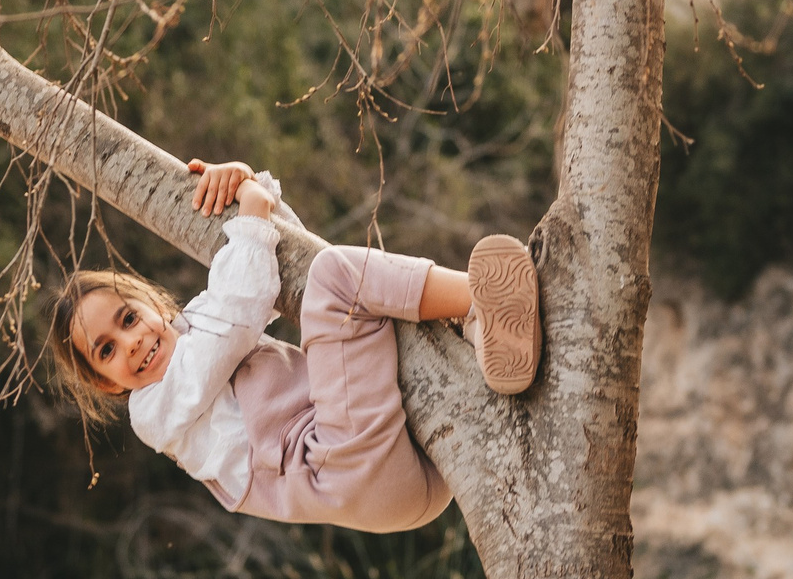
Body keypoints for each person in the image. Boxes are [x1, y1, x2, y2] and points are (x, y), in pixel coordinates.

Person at [47, 158, 540, 533]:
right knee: (337, 280)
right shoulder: (153, 411)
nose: (131, 343)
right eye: (106, 351)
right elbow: (240, 309)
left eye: (129, 318)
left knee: (342, 286)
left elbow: (291, 259)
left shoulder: (200, 318)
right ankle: (480, 301)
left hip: (388, 454)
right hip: (342, 470)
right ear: (102, 382)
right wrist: (252, 215)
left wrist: (248, 185)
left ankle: (478, 332)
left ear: (153, 303)